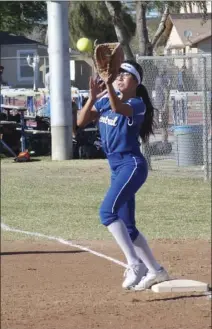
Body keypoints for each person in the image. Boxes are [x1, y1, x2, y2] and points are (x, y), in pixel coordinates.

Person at [77, 60, 169, 290]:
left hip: (132, 166)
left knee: (107, 212)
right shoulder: (107, 101)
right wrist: (92, 97)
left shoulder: (137, 104)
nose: (118, 78)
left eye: (124, 75)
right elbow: (80, 121)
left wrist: (108, 87)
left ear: (136, 82)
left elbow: (119, 108)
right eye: (116, 75)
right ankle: (157, 271)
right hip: (116, 168)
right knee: (127, 226)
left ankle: (134, 264)